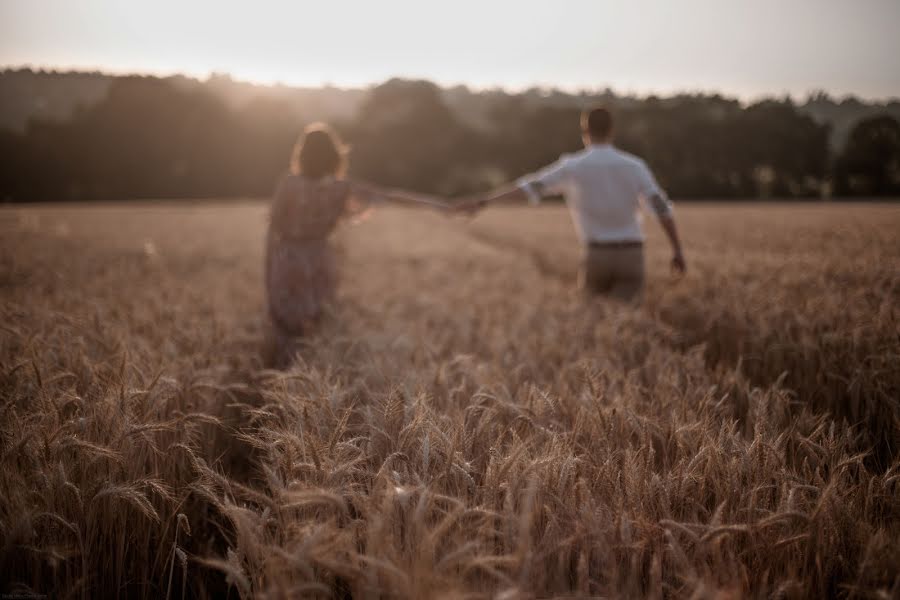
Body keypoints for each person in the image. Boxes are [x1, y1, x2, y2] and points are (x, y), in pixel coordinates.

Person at [458, 106, 686, 302]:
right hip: (632, 255)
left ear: (585, 132)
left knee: (594, 324)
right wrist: (677, 250)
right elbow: (661, 208)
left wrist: (484, 202)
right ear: (612, 131)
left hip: (596, 255)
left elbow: (530, 188)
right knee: (626, 322)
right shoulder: (635, 166)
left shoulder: (573, 166)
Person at [265, 122, 447, 367]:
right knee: (319, 325)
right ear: (334, 156)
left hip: (288, 259)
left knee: (287, 327)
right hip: (321, 260)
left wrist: (268, 269)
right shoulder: (341, 189)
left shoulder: (288, 184)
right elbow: (391, 195)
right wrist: (444, 206)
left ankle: (283, 377)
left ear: (301, 154)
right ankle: (312, 376)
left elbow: (273, 228)